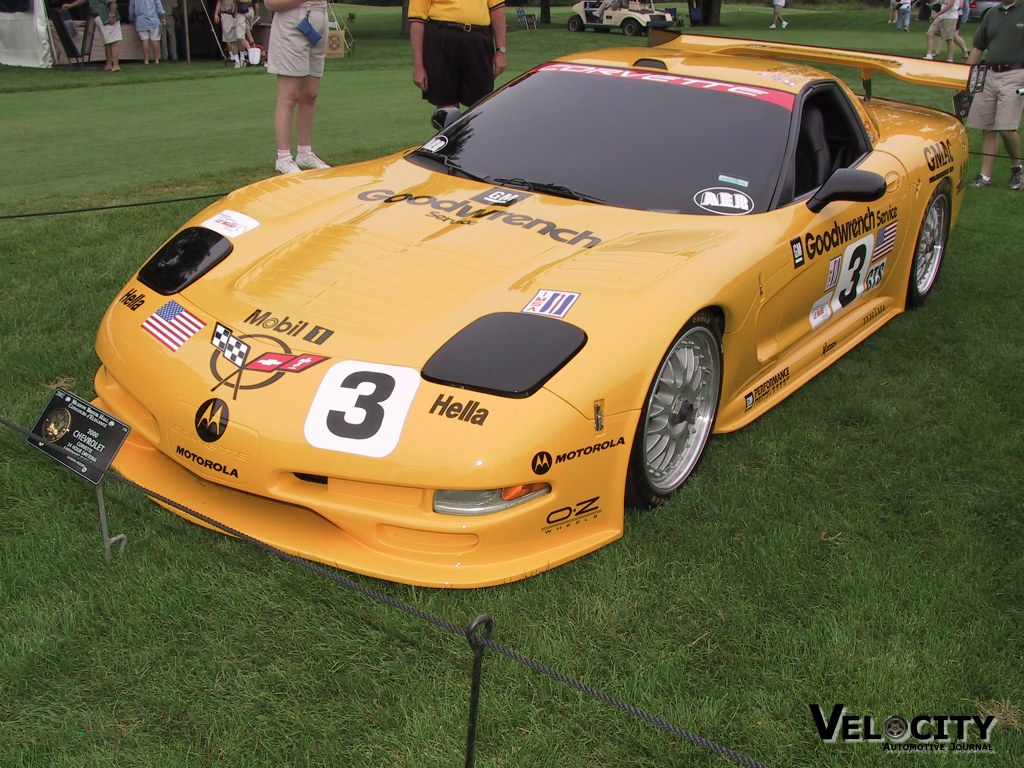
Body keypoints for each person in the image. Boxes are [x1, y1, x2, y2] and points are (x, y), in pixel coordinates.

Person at [265, 0, 331, 173]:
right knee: (290, 96)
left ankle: (305, 153)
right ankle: (284, 157)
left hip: (319, 17)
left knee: (310, 94)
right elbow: (271, 3)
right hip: (293, 22)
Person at [965, 0, 1024, 189]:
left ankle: (1018, 167)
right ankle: (985, 176)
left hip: (1016, 74)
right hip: (988, 74)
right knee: (987, 128)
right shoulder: (991, 14)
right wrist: (963, 77)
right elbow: (978, 47)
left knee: (1006, 129)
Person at [408, 0, 508, 110]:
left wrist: (501, 50)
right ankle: (451, 127)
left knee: (481, 105)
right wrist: (418, 66)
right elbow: (417, 20)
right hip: (441, 39)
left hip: (477, 40)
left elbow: (497, 8)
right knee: (446, 106)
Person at [61, 0, 122, 71]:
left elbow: (112, 3)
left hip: (107, 18)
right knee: (107, 43)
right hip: (100, 17)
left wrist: (112, 16)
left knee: (113, 42)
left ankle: (116, 65)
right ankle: (109, 64)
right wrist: (70, 5)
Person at [214, 0, 247, 68]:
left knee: (240, 37)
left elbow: (248, 1)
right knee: (231, 39)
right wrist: (216, 13)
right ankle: (237, 61)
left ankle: (242, 58)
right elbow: (220, 1)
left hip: (239, 14)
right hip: (226, 14)